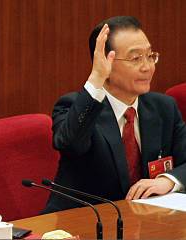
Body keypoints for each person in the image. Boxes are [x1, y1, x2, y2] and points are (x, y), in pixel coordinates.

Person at [44, 16, 186, 213]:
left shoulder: (163, 108)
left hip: (146, 225)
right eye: (136, 58)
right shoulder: (75, 107)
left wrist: (168, 180)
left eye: (150, 55)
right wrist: (96, 78)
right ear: (105, 64)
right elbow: (71, 145)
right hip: (84, 226)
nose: (147, 67)